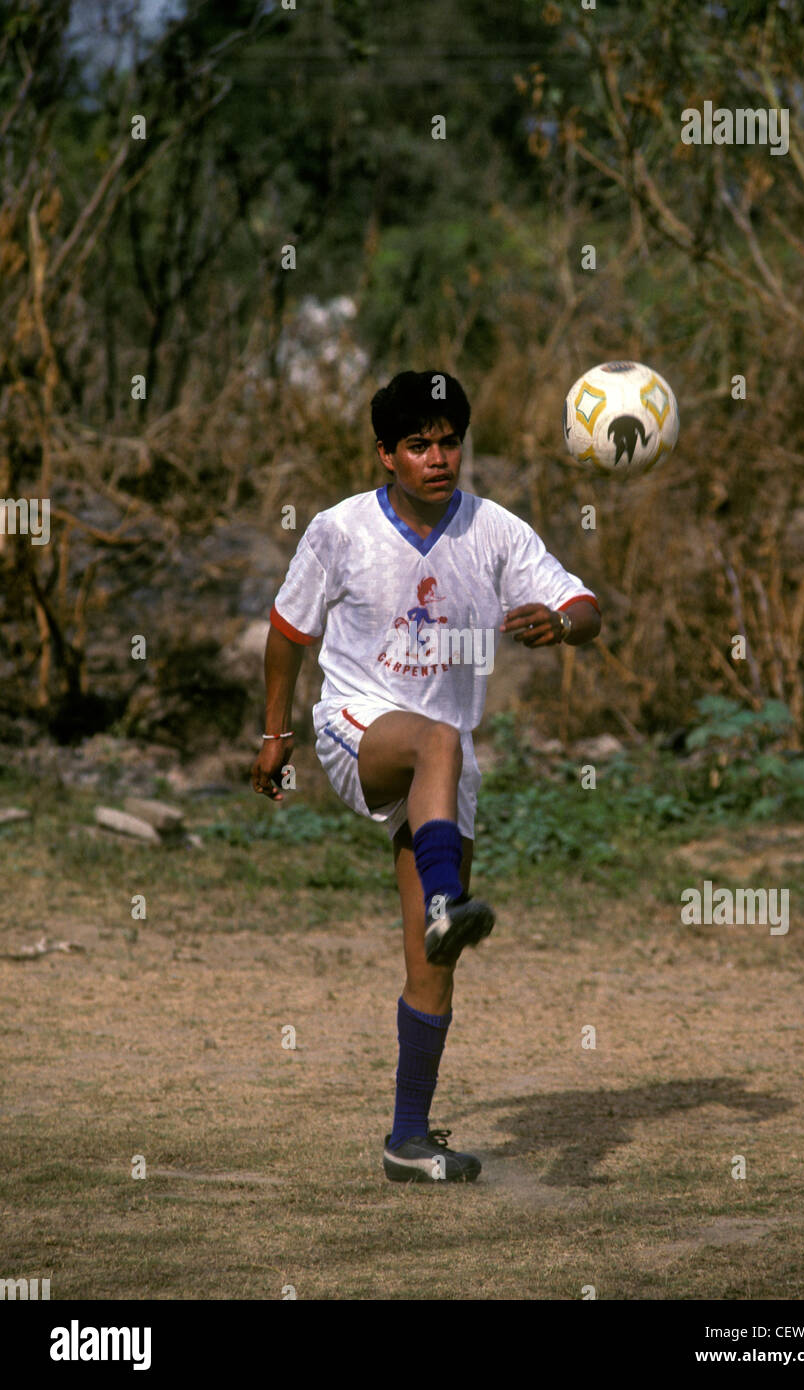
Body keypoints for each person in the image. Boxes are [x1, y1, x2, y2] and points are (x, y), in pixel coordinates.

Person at [251, 370, 601, 1183]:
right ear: (386, 455)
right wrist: (276, 733)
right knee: (437, 738)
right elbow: (286, 632)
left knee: (431, 961)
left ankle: (408, 1139)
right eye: (418, 445)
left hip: (443, 770)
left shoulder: (494, 531)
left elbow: (585, 605)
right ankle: (448, 900)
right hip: (358, 728)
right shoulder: (340, 531)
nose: (437, 457)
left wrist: (560, 623)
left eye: (449, 442)